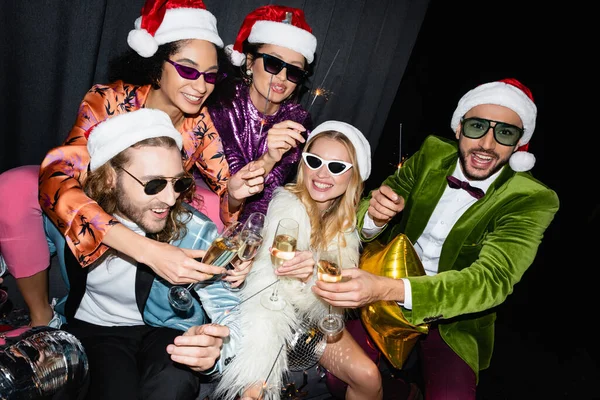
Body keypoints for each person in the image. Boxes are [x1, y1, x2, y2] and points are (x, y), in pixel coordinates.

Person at [0, 0, 263, 327]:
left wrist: (235, 194)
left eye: (210, 76)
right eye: (187, 69)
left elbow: (227, 195)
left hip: (155, 215)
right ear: (156, 65)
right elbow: (58, 175)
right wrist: (142, 250)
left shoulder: (202, 124)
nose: (200, 86)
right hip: (94, 210)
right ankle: (42, 314)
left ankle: (179, 317)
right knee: (14, 186)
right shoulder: (109, 100)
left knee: (210, 206)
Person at [312, 78, 560, 399]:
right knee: (341, 380)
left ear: (518, 143)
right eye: (477, 126)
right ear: (458, 128)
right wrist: (376, 216)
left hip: (456, 319)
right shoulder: (431, 153)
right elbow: (363, 210)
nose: (487, 144)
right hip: (386, 285)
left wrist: (387, 289)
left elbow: (491, 281)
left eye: (505, 132)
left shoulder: (532, 198)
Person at [60, 108, 242, 400]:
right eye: (154, 184)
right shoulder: (74, 217)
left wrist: (215, 354)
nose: (170, 199)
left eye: (179, 183)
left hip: (164, 327)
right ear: (109, 177)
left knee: (174, 383)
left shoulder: (193, 229)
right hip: (97, 328)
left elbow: (232, 309)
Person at [214, 121, 383, 400]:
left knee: (368, 377)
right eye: (314, 161)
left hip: (315, 320)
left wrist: (313, 275)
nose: (322, 174)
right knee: (254, 392)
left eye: (337, 167)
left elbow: (336, 297)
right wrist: (302, 275)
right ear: (303, 163)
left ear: (353, 177)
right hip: (271, 311)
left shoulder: (347, 227)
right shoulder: (283, 204)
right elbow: (267, 280)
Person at [207, 5, 316, 224]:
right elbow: (233, 181)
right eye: (273, 63)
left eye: (294, 71)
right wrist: (268, 158)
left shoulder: (297, 120)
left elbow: (267, 192)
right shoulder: (224, 101)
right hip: (210, 207)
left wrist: (251, 237)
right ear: (249, 62)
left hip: (255, 217)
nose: (283, 77)